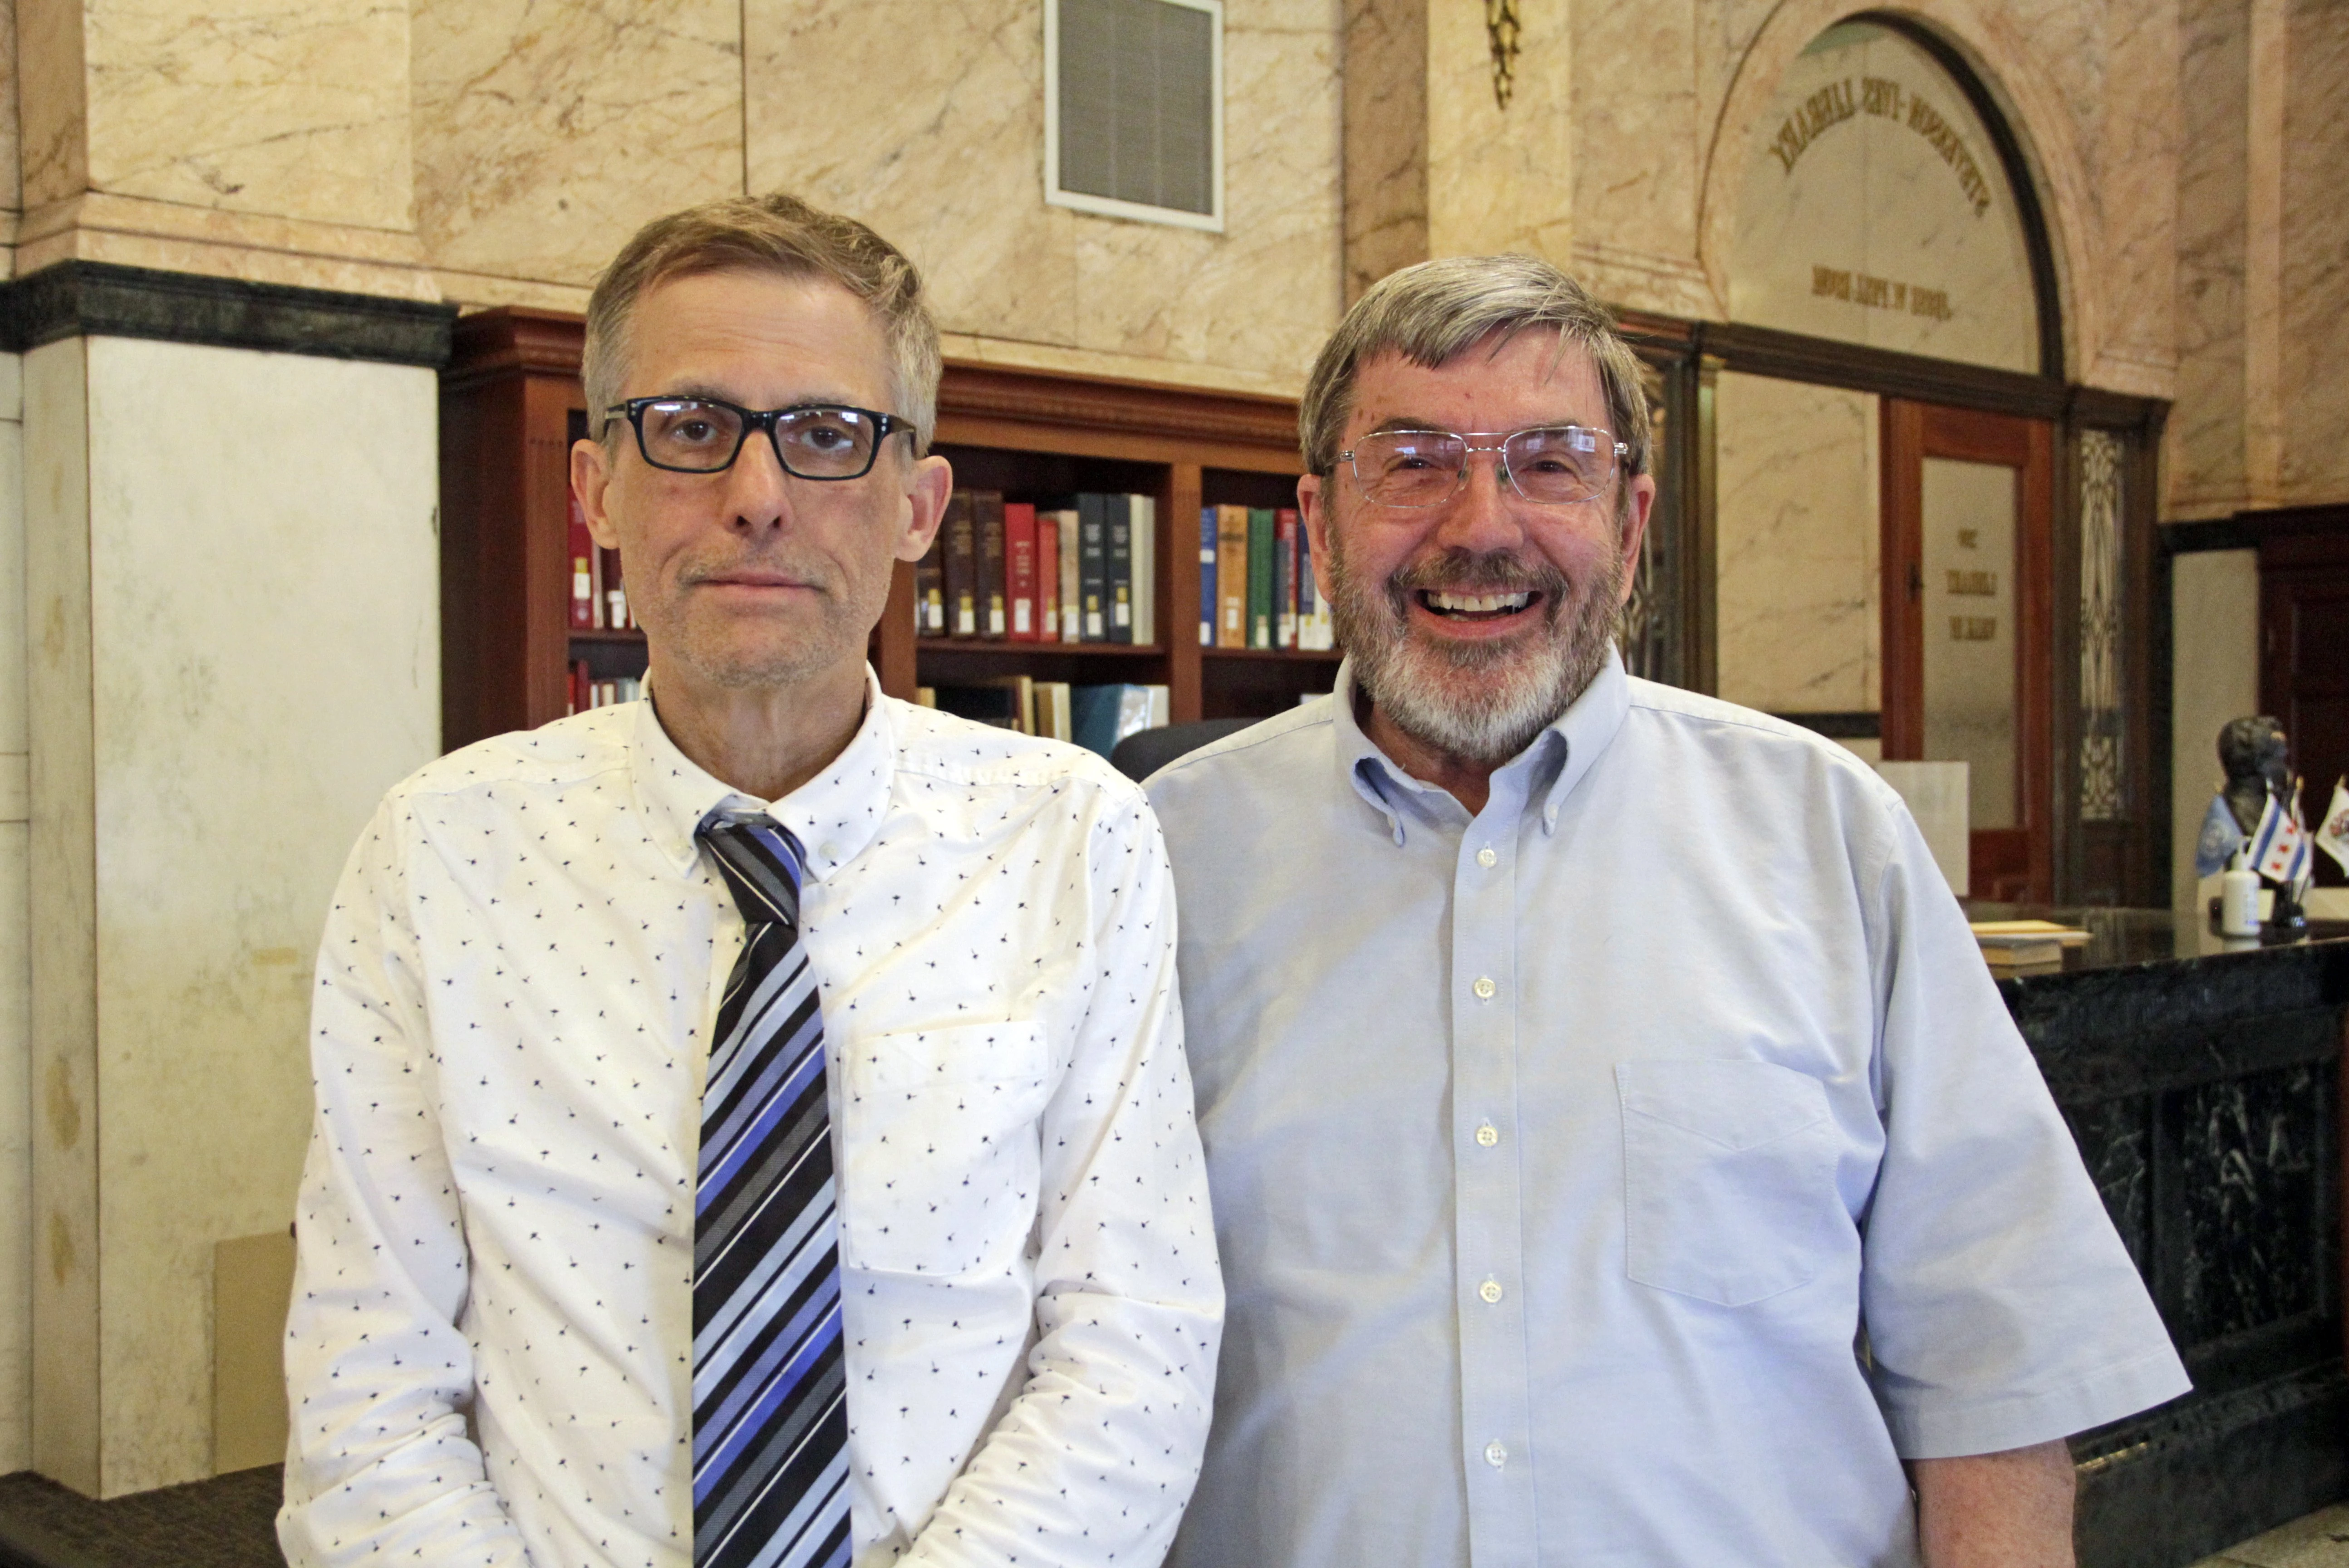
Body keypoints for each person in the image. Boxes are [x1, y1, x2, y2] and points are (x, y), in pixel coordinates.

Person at [1145, 255, 2187, 1568]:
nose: (1482, 524)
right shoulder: (1161, 859)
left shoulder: (1828, 837)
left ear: (1631, 522)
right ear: (1318, 524)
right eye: (1413, 464)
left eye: (1550, 463)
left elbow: (1997, 1368)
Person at [279, 193, 1222, 1568]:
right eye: (690, 427)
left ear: (918, 507)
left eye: (828, 435)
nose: (759, 495)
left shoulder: (1077, 837)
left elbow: (1133, 1344)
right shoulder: (437, 853)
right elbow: (365, 1378)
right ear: (596, 488)